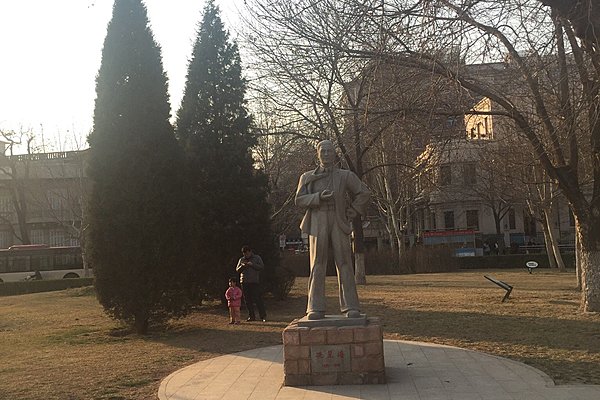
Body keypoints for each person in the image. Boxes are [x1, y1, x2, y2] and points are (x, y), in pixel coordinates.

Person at [295, 140, 370, 320]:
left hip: (338, 220)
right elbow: (299, 200)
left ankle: (351, 306)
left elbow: (364, 192)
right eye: (323, 151)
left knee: (344, 262)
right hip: (318, 219)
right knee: (317, 263)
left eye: (329, 151)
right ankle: (315, 307)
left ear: (335, 154)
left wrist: (354, 210)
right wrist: (318, 197)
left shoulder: (345, 176)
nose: (326, 154)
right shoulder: (307, 177)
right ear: (318, 154)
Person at [235, 245, 267, 322]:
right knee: (247, 300)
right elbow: (237, 270)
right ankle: (251, 316)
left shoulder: (257, 258)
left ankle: (263, 316)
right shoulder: (241, 259)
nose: (246, 255)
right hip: (244, 281)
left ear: (250, 252)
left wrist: (252, 265)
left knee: (257, 299)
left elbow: (261, 267)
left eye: (247, 253)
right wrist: (243, 266)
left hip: (254, 281)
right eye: (244, 254)